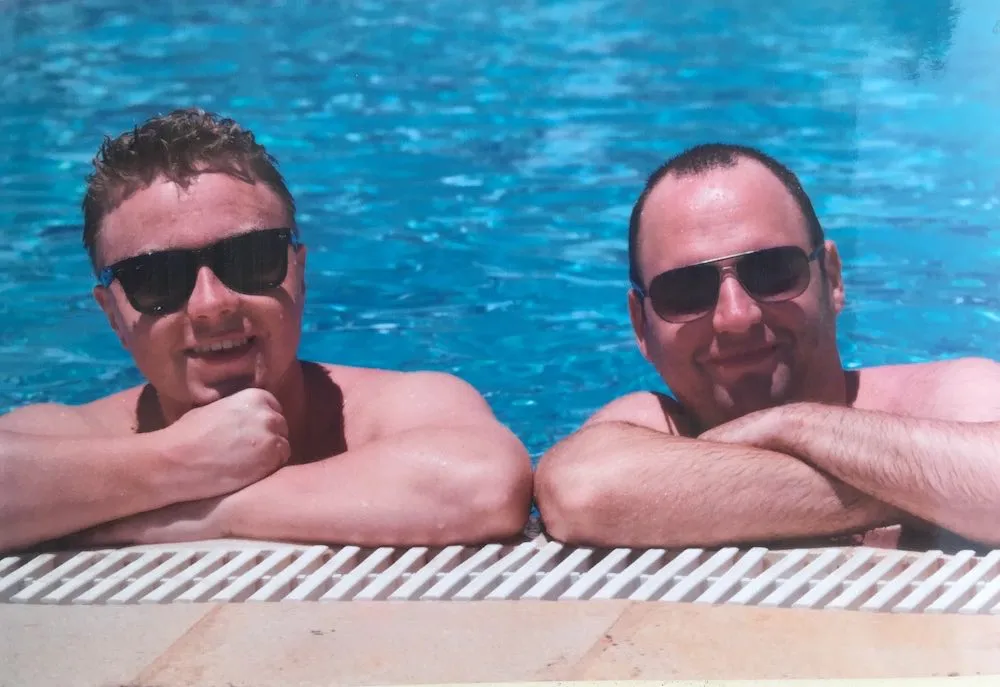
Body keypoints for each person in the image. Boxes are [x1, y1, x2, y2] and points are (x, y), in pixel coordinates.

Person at [0, 108, 533, 553]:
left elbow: (483, 484)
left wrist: (203, 512)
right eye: (156, 278)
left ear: (299, 273)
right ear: (113, 315)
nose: (211, 305)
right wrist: (177, 462)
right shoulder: (69, 434)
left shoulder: (397, 408)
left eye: (251, 260)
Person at [534, 143, 1000, 552]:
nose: (736, 317)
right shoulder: (653, 427)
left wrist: (794, 424)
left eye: (772, 271)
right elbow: (581, 493)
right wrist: (931, 489)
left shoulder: (946, 396)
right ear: (641, 325)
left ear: (832, 279)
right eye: (686, 290)